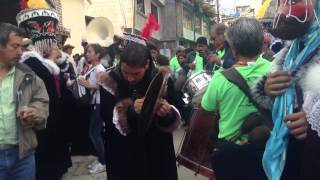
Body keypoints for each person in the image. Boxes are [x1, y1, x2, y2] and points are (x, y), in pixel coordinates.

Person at [251, 0, 320, 179]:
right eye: (282, 2)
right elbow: (271, 100)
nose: (283, 11)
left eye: (293, 1)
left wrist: (314, 124)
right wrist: (267, 89)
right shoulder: (288, 52)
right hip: (289, 153)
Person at [99, 34, 181, 180]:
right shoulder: (110, 81)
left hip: (157, 151)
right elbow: (105, 117)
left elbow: (176, 109)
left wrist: (167, 113)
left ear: (147, 64)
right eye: (126, 73)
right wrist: (130, 111)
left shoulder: (162, 80)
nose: (130, 78)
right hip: (124, 154)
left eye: (136, 74)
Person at [201, 18, 271, 180]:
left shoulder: (220, 79)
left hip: (231, 152)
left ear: (233, 48)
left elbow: (206, 110)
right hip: (269, 150)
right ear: (261, 45)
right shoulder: (276, 70)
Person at [17, 6, 72, 180]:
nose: (56, 45)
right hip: (42, 132)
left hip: (53, 128)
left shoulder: (44, 65)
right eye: (53, 41)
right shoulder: (33, 65)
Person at [0, 23, 49, 180]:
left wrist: (35, 112)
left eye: (21, 47)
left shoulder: (29, 75)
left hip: (23, 156)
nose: (20, 52)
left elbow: (42, 101)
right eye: (15, 46)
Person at [78, 43, 106, 174]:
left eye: (90, 51)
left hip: (99, 104)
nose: (87, 53)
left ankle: (103, 161)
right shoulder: (92, 68)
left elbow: (103, 87)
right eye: (86, 51)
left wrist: (87, 84)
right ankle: (100, 158)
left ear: (98, 55)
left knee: (95, 134)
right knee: (93, 133)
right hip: (95, 103)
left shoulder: (99, 69)